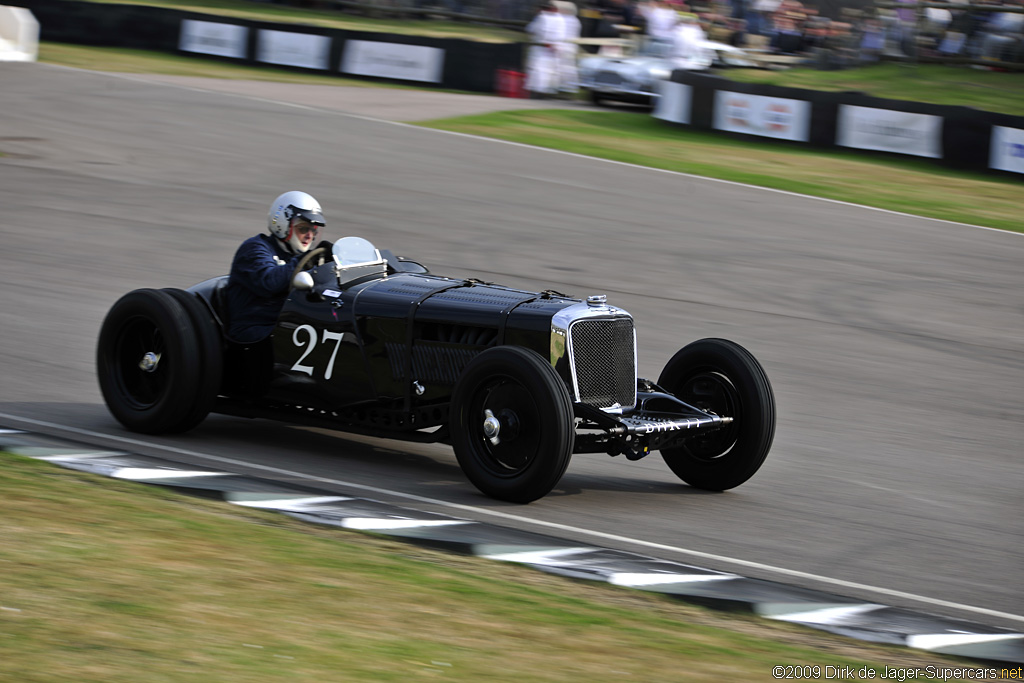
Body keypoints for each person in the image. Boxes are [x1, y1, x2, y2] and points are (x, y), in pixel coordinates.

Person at [222, 190, 329, 345]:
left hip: (282, 323)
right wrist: (307, 261)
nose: (309, 236)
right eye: (304, 229)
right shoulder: (254, 248)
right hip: (252, 330)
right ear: (283, 224)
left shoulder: (296, 256)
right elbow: (269, 282)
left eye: (314, 230)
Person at [525, 1, 566, 98]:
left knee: (538, 69)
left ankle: (538, 92)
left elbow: (532, 29)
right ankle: (547, 91)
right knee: (549, 70)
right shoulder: (560, 18)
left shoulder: (542, 17)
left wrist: (548, 43)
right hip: (553, 48)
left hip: (541, 47)